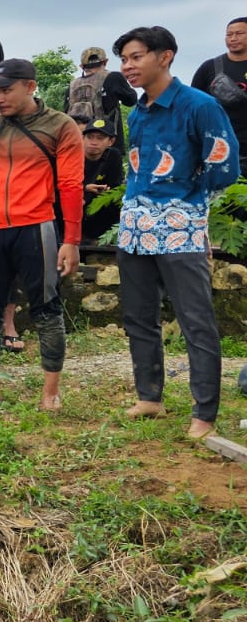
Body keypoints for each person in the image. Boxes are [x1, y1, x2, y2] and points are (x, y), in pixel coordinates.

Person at [115, 25, 240, 441]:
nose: (127, 66)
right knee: (138, 317)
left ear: (165, 56)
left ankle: (204, 413)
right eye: (124, 59)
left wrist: (188, 203)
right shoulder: (138, 111)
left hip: (179, 228)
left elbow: (225, 166)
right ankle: (149, 396)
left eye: (136, 57)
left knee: (195, 320)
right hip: (134, 227)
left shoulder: (199, 105)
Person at [0, 59, 84, 413]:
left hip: (36, 226)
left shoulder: (59, 125)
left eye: (6, 90)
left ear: (30, 87)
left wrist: (71, 239)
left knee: (47, 310)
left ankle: (50, 392)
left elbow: (71, 184)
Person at [190, 16, 247, 145]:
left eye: (239, 34)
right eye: (229, 34)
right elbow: (193, 104)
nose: (233, 38)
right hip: (221, 144)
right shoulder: (210, 67)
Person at [65, 48, 137, 149]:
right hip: (108, 144)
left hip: (78, 144)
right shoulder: (113, 77)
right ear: (105, 62)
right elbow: (131, 100)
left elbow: (65, 113)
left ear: (82, 66)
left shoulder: (72, 85)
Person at [81, 117, 125, 242]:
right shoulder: (72, 154)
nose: (93, 142)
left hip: (99, 207)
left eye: (100, 138)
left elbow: (115, 186)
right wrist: (84, 188)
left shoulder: (113, 156)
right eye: (90, 137)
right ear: (83, 138)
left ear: (111, 141)